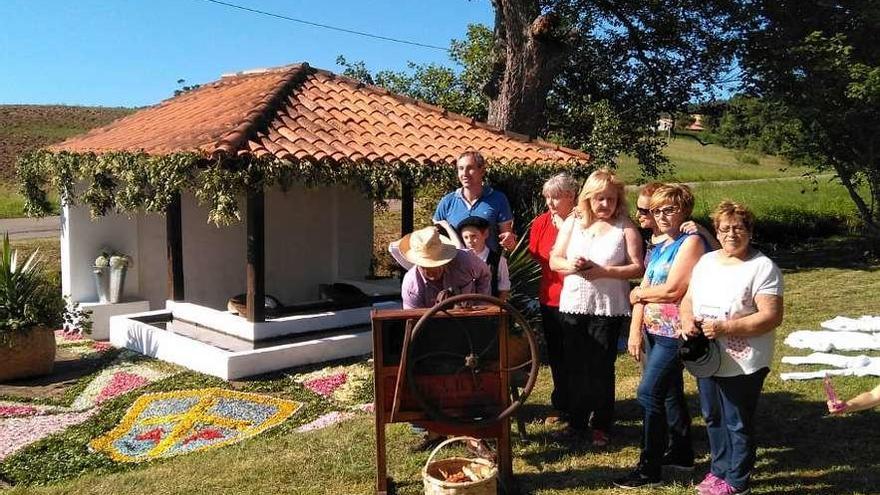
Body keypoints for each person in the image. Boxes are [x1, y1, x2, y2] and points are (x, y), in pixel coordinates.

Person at [680, 200, 784, 495]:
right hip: (708, 356)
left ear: (750, 231)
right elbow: (689, 297)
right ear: (716, 230)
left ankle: (737, 480)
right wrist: (687, 318)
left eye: (738, 228)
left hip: (743, 360)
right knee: (712, 415)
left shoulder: (763, 267)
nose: (730, 234)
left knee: (736, 420)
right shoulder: (708, 261)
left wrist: (726, 328)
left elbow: (771, 316)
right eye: (724, 229)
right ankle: (718, 469)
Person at [616, 184, 707, 489]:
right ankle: (681, 453)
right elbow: (645, 287)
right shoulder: (661, 244)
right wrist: (635, 328)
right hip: (653, 329)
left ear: (685, 210)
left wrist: (638, 293)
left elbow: (673, 290)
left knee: (648, 393)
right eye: (657, 210)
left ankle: (648, 467)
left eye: (670, 209)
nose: (663, 216)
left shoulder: (690, 242)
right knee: (668, 393)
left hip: (674, 331)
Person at [549, 169, 644, 446]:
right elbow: (555, 259)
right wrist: (572, 266)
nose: (605, 205)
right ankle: (577, 421)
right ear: (588, 198)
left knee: (601, 365)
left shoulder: (625, 226)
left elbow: (638, 266)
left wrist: (604, 271)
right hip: (574, 303)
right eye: (599, 199)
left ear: (619, 200)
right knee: (575, 365)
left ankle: (601, 423)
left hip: (607, 306)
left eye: (611, 199)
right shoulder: (574, 222)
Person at [527, 173, 581, 425]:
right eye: (547, 197)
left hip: (579, 296)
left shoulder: (583, 222)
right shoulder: (540, 223)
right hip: (550, 296)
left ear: (571, 196)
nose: (550, 202)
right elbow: (536, 254)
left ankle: (585, 405)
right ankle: (562, 405)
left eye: (556, 197)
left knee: (579, 353)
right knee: (558, 354)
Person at [433, 151, 516, 252]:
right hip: (456, 266)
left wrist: (509, 241)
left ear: (482, 171)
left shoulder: (498, 199)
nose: (464, 173)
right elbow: (436, 237)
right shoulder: (447, 202)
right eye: (461, 168)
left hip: (488, 266)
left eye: (470, 168)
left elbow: (508, 241)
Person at [398, 226, 491, 310]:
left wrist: (480, 304)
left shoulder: (465, 260)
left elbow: (485, 275)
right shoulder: (412, 285)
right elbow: (414, 320)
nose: (432, 270)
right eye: (425, 266)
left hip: (472, 320)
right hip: (432, 325)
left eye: (436, 264)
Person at [458, 216, 510, 301]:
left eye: (473, 236)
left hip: (489, 309)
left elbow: (504, 289)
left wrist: (495, 310)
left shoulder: (498, 261)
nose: (469, 241)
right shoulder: (460, 259)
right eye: (466, 237)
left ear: (485, 234)